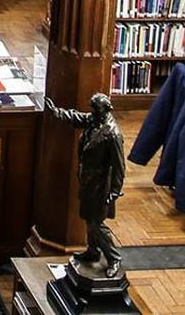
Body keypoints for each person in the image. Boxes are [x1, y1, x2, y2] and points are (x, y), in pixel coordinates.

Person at [46, 93, 127, 281]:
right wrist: (56, 112)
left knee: (96, 223)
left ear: (106, 110)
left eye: (96, 109)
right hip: (88, 180)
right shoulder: (94, 120)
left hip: (101, 185)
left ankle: (114, 257)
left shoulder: (112, 134)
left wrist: (115, 191)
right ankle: (92, 251)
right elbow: (76, 117)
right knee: (88, 217)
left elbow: (119, 167)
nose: (92, 112)